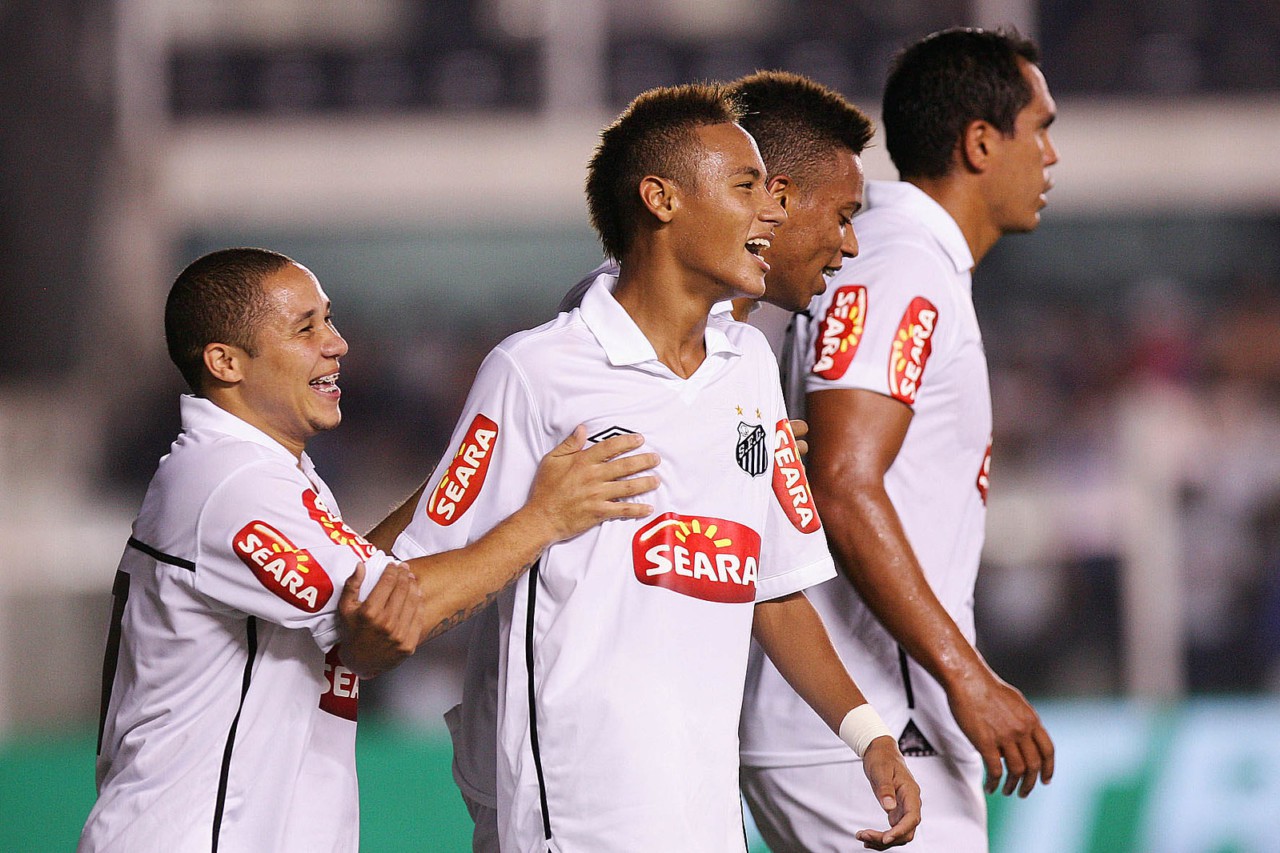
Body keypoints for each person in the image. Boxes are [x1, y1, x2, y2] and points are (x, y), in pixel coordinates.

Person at [392, 84, 919, 852]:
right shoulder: (540, 369)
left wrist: (868, 733)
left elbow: (770, 585)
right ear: (661, 199)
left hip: (704, 816)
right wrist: (535, 520)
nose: (769, 212)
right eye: (747, 187)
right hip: (573, 818)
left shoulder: (747, 371)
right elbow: (418, 580)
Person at [80, 248, 660, 852]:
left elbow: (373, 570)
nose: (337, 344)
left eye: (328, 321)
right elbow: (396, 606)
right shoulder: (231, 484)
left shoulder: (267, 471)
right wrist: (546, 517)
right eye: (305, 328)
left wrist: (487, 464)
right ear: (226, 362)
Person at [739, 27, 1060, 852]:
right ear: (982, 142)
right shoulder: (900, 261)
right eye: (1041, 128)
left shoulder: (895, 253)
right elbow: (842, 480)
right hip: (871, 718)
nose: (1052, 156)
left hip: (862, 715)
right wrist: (969, 677)